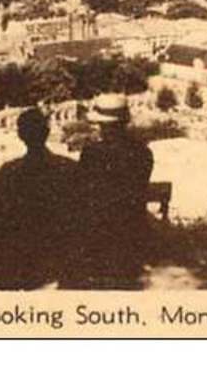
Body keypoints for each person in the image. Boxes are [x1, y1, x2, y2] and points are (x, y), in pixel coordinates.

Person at [0, 106, 85, 286]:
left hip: (21, 254)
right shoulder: (69, 167)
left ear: (20, 134)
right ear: (47, 132)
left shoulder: (9, 171)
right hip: (60, 252)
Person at [71, 93, 155, 288]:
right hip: (132, 227)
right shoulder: (143, 151)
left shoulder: (93, 152)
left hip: (101, 230)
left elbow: (83, 191)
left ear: (101, 124)